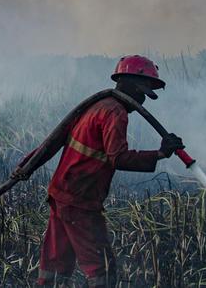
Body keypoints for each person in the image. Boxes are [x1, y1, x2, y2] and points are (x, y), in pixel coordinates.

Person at [26, 55, 184, 286]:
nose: (143, 100)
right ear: (131, 84)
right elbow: (118, 158)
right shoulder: (115, 112)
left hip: (63, 193)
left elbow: (56, 140)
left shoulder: (98, 106)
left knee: (56, 264)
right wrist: (160, 154)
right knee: (102, 268)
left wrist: (26, 166)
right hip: (80, 200)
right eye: (143, 93)